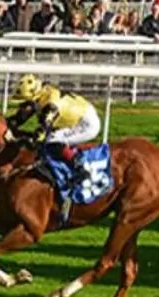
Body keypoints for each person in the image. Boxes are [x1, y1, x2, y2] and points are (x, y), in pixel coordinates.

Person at [9, 76, 111, 209]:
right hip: (76, 114)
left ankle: (80, 168)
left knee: (52, 141)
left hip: (87, 124)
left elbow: (39, 137)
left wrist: (19, 140)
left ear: (34, 97)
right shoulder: (41, 96)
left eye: (25, 102)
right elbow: (18, 119)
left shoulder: (50, 106)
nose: (22, 106)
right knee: (49, 139)